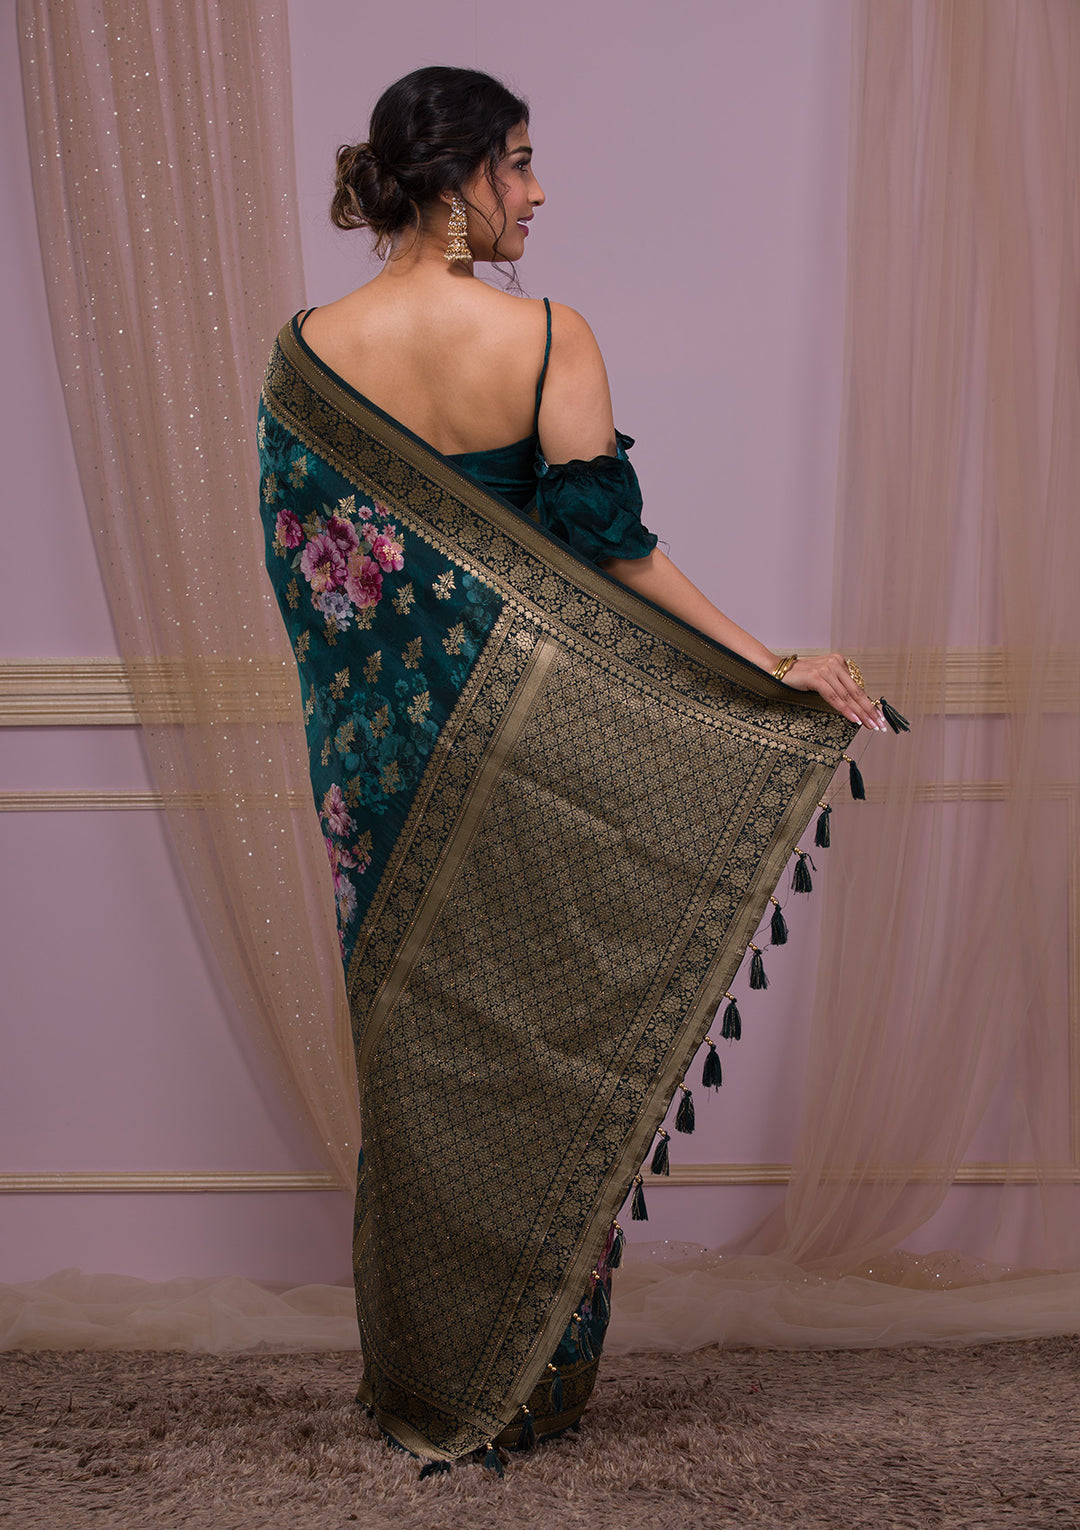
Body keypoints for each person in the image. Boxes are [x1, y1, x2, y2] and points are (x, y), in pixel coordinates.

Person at [259, 65, 880, 1470]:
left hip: (379, 765)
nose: (538, 194)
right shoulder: (546, 336)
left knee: (416, 1055)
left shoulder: (304, 357)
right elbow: (613, 553)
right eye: (522, 164)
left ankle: (420, 1374)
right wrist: (768, 661)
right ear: (460, 179)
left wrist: (384, 718)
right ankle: (534, 1384)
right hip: (536, 751)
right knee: (548, 1044)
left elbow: (310, 585)